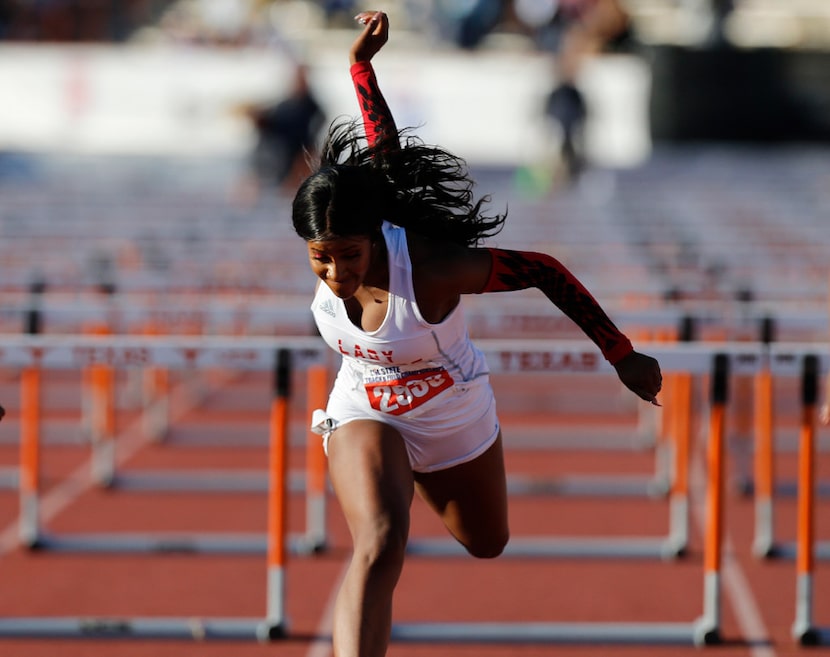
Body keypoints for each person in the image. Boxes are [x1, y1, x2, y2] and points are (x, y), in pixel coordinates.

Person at [290, 11, 662, 657]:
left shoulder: (431, 268)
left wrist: (620, 352)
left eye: (347, 254)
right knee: (379, 544)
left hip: (450, 406)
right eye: (320, 257)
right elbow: (382, 158)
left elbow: (543, 269)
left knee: (488, 540)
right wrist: (361, 69)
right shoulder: (335, 250)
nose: (335, 271)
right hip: (366, 405)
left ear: (375, 234)